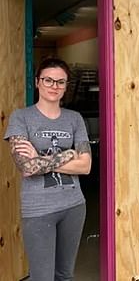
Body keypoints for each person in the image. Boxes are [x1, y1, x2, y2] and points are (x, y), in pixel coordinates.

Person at [4, 57, 92, 281]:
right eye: (48, 80)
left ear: (65, 86)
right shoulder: (20, 118)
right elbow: (27, 167)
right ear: (37, 82)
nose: (54, 86)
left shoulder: (75, 119)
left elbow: (86, 166)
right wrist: (68, 154)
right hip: (38, 210)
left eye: (60, 82)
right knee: (42, 277)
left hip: (74, 206)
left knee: (64, 276)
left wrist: (41, 158)